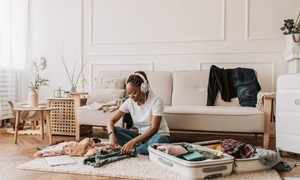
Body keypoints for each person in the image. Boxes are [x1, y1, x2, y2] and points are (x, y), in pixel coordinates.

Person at [106, 71, 170, 155]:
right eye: (129, 93)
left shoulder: (156, 101)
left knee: (160, 139)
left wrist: (133, 141)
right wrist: (111, 136)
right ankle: (142, 148)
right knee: (114, 130)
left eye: (134, 93)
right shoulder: (129, 102)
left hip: (157, 136)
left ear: (144, 88)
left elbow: (154, 129)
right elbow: (111, 121)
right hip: (141, 137)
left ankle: (135, 150)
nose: (131, 96)